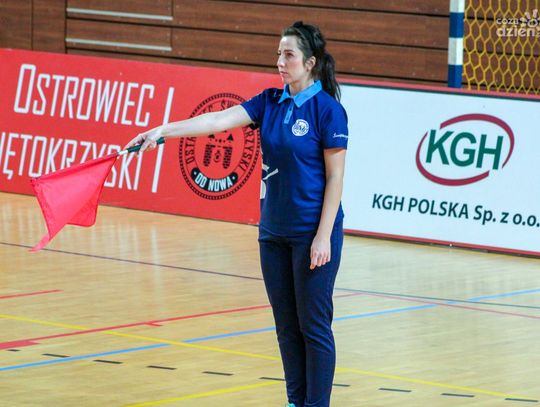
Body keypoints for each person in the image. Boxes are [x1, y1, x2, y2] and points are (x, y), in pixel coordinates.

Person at [126, 21, 348, 407]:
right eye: (278, 54)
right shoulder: (269, 102)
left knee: (313, 328)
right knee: (286, 329)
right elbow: (216, 121)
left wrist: (323, 236)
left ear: (310, 62)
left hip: (312, 233)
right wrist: (161, 131)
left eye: (289, 55)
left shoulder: (328, 112)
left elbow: (336, 178)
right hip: (273, 233)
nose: (280, 62)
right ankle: (295, 402)